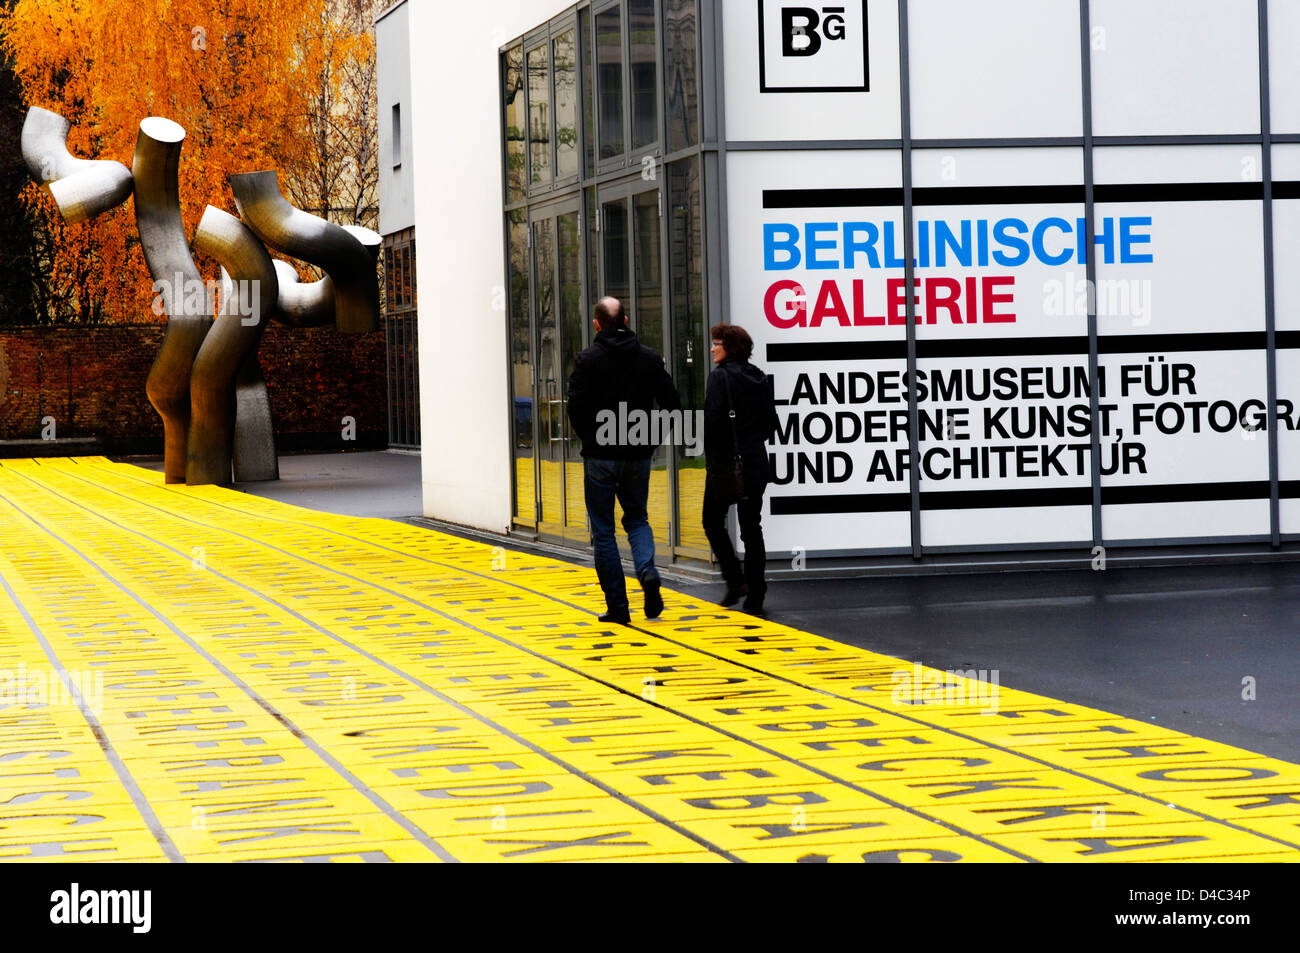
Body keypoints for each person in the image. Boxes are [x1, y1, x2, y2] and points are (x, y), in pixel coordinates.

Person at [567, 296, 682, 624]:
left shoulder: (587, 360)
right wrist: (650, 439)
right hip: (637, 453)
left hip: (601, 455)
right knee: (636, 518)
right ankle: (646, 570)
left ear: (596, 324)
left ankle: (618, 606)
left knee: (603, 530)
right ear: (627, 321)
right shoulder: (648, 358)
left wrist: (592, 438)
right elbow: (672, 405)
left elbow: (576, 407)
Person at [702, 323, 778, 615]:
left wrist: (713, 461)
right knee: (751, 528)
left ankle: (735, 580)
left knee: (711, 520)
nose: (712, 348)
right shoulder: (758, 376)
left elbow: (712, 423)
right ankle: (756, 593)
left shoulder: (719, 378)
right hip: (755, 461)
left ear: (729, 347)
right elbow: (770, 423)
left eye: (716, 343)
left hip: (725, 464)